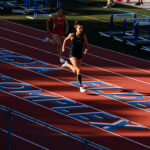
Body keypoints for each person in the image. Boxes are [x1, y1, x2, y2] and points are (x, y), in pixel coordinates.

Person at [61, 20, 88, 93]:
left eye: (82, 28)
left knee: (75, 71)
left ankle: (66, 64)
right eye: (80, 28)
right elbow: (65, 40)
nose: (81, 30)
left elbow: (86, 45)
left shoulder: (84, 36)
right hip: (72, 54)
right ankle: (81, 87)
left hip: (79, 54)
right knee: (78, 70)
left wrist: (86, 49)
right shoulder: (72, 35)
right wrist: (63, 47)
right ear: (76, 28)